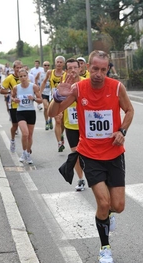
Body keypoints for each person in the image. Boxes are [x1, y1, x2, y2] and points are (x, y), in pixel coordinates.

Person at [48, 50, 134, 263]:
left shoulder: (116, 87)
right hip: (90, 154)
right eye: (94, 68)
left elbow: (130, 110)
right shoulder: (78, 88)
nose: (98, 73)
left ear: (108, 69)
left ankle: (107, 216)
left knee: (118, 205)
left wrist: (122, 131)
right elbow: (52, 113)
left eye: (103, 70)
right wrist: (58, 96)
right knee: (103, 203)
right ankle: (105, 248)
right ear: (87, 66)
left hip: (114, 154)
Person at [50, 58, 86, 191]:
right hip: (71, 125)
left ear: (79, 69)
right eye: (69, 68)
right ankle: (81, 179)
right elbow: (57, 101)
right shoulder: (64, 83)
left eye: (75, 67)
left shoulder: (86, 83)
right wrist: (58, 110)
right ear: (66, 70)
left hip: (86, 125)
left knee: (87, 155)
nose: (72, 70)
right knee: (75, 154)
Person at [11, 68, 43, 164]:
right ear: (19, 77)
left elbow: (40, 100)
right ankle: (24, 152)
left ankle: (28, 153)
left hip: (31, 112)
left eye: (25, 76)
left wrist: (33, 98)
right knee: (25, 133)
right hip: (20, 112)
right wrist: (14, 100)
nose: (23, 78)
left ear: (27, 76)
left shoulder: (33, 87)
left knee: (29, 135)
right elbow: (12, 97)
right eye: (21, 76)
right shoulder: (16, 88)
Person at [41, 55, 65, 152]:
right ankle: (59, 143)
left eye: (60, 62)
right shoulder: (50, 73)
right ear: (55, 63)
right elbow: (44, 82)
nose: (59, 64)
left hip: (64, 100)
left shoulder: (66, 74)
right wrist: (39, 93)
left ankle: (61, 134)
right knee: (58, 120)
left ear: (63, 64)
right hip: (54, 100)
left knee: (63, 122)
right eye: (57, 62)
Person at [0, 60, 23, 153]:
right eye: (17, 68)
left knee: (26, 128)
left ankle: (27, 148)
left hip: (25, 106)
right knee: (15, 126)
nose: (19, 69)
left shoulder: (26, 77)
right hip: (14, 106)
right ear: (14, 68)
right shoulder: (9, 78)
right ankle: (12, 140)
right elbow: (0, 90)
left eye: (21, 67)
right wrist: (9, 92)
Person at [35, 61, 53, 130]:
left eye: (48, 65)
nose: (46, 66)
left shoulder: (52, 73)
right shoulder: (40, 73)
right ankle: (46, 122)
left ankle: (51, 119)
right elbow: (36, 78)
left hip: (51, 93)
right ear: (43, 66)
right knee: (46, 107)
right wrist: (37, 85)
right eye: (45, 65)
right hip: (44, 93)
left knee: (51, 108)